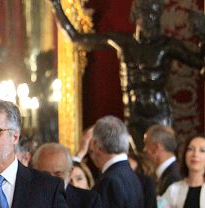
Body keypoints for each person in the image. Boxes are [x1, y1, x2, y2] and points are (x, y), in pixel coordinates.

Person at [50, 0, 205, 149]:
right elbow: (77, 39)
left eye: (155, 13)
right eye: (147, 12)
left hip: (159, 113)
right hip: (133, 114)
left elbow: (199, 62)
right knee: (136, 164)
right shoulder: (123, 42)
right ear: (136, 15)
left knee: (159, 162)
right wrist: (56, 5)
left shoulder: (166, 46)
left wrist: (202, 35)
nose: (151, 18)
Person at [144, 124, 182, 195]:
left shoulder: (173, 178)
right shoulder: (170, 173)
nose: (144, 150)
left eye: (146, 144)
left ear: (156, 148)